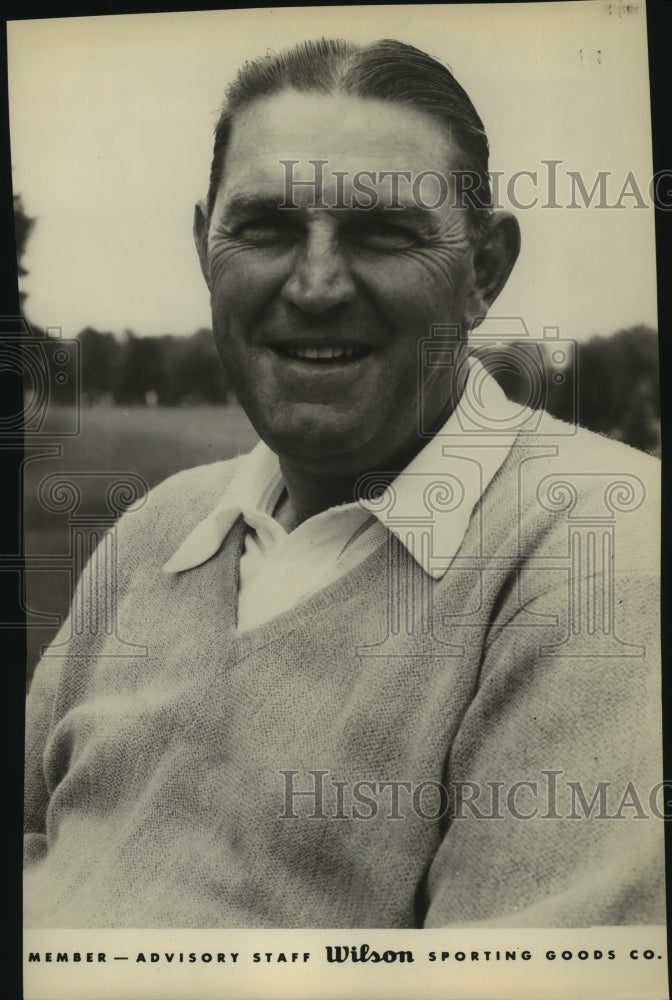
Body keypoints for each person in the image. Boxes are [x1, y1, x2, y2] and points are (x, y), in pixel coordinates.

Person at [24, 38, 663, 928]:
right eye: (268, 228)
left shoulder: (603, 551)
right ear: (204, 246)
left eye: (383, 233)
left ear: (483, 272)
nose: (316, 284)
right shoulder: (159, 529)